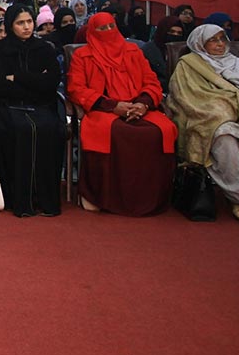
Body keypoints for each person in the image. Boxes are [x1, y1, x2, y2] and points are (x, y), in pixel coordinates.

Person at [67, 12, 177, 216]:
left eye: (111, 27)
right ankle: (101, 197)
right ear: (92, 31)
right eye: (102, 29)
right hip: (104, 109)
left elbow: (151, 82)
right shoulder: (83, 56)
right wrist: (113, 106)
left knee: (161, 131)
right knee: (114, 133)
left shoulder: (133, 51)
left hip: (139, 107)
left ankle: (149, 198)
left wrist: (143, 104)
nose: (108, 32)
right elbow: (76, 88)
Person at [0, 6, 65, 217]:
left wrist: (18, 77)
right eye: (20, 23)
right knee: (20, 129)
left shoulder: (44, 48)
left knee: (50, 128)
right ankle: (18, 199)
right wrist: (36, 80)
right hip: (7, 106)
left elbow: (52, 82)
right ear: (10, 25)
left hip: (41, 105)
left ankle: (46, 200)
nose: (26, 27)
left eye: (29, 21)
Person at [167, 25, 239, 221]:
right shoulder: (188, 64)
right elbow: (185, 96)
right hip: (208, 115)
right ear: (200, 43)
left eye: (222, 39)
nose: (220, 44)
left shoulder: (236, 63)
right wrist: (225, 102)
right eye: (214, 40)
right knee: (223, 135)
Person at [140, 16, 183, 92]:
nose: (175, 35)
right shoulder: (148, 51)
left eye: (179, 33)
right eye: (171, 32)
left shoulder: (183, 50)